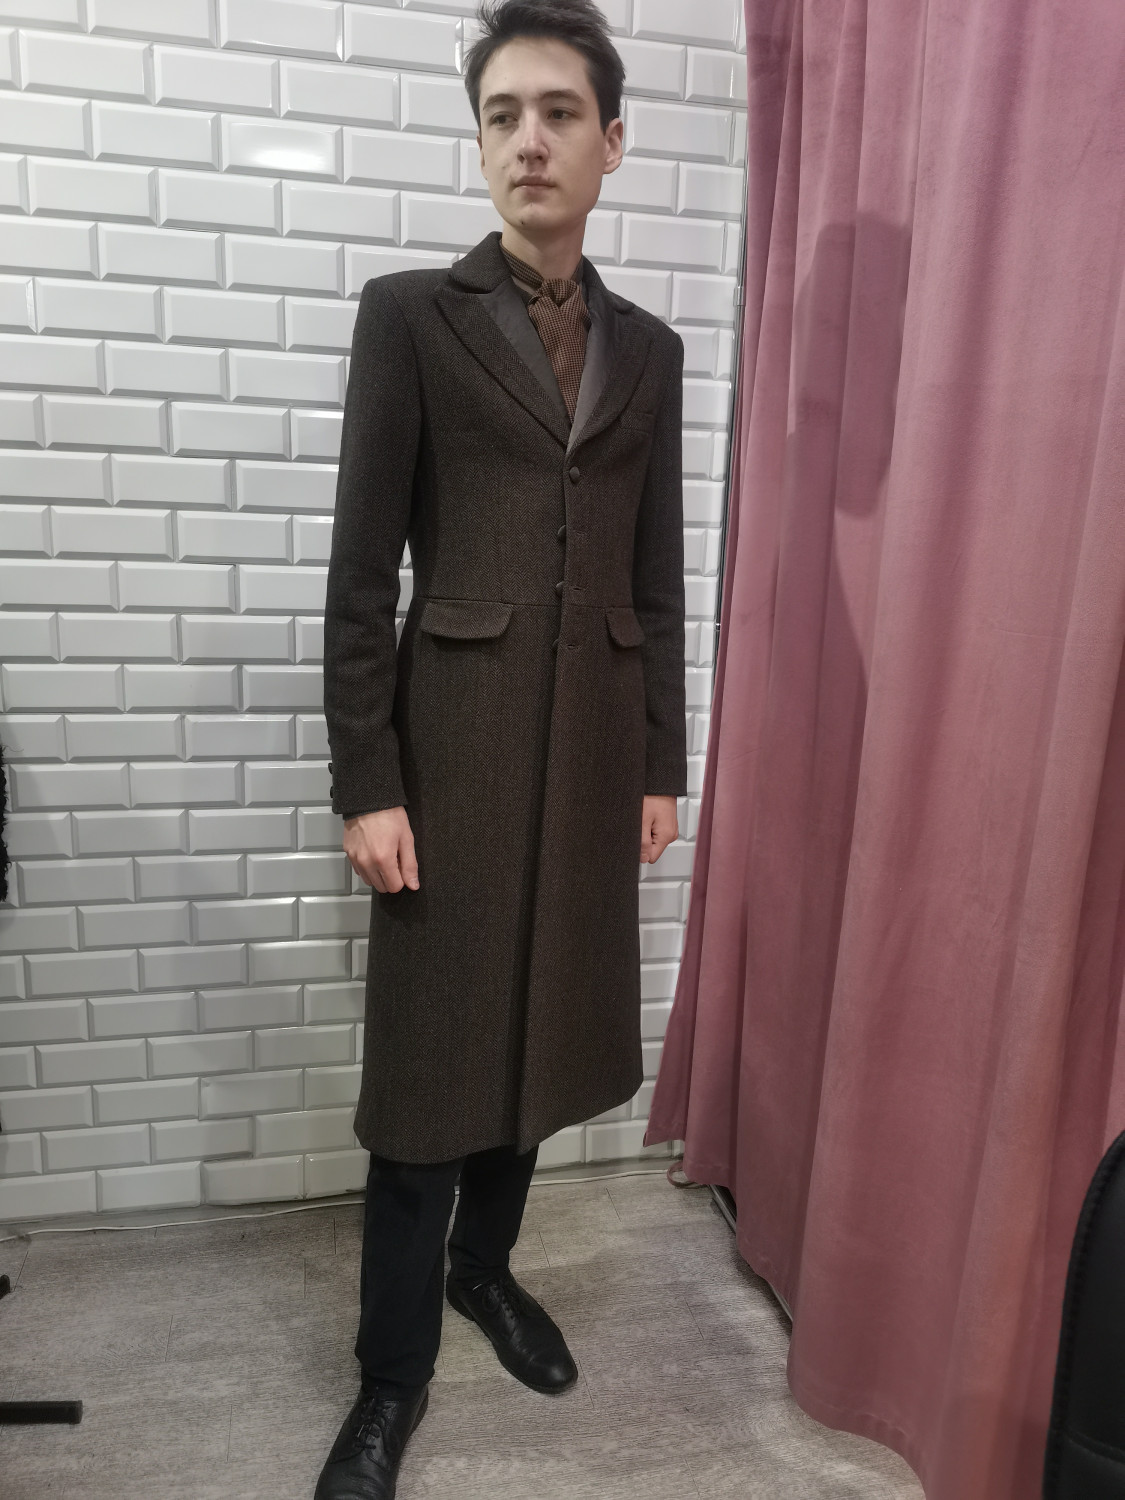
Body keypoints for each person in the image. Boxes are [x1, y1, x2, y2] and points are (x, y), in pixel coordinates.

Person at [314, 1, 687, 1495]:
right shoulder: (412, 317)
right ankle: (389, 1375)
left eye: (557, 111)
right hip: (449, 758)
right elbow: (360, 577)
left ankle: (488, 1268)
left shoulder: (650, 351)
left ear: (612, 140)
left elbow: (656, 576)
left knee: (537, 1032)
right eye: (501, 114)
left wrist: (660, 762)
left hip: (591, 757)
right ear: (481, 142)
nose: (528, 140)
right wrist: (367, 781)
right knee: (429, 1072)